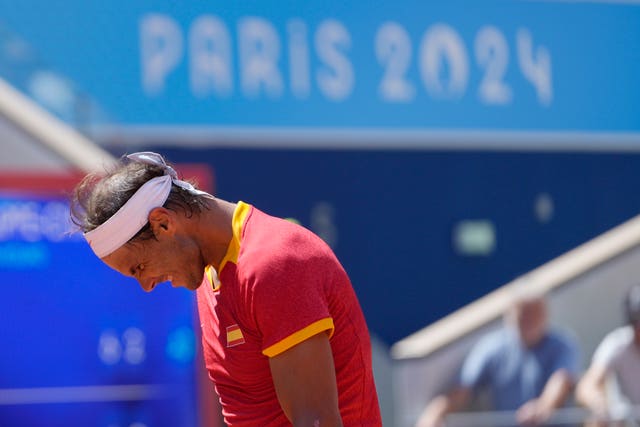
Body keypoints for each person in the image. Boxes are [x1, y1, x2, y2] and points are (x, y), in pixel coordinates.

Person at [70, 152, 382, 427]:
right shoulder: (210, 276)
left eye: (139, 267)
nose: (147, 285)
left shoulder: (273, 262)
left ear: (163, 223)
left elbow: (316, 421)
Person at [414, 294, 580, 427]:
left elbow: (561, 379)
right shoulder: (492, 347)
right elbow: (463, 388)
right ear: (509, 316)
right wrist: (436, 411)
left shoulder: (562, 345)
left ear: (544, 315)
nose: (527, 322)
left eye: (533, 315)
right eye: (522, 316)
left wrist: (543, 407)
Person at [576, 284, 640, 426]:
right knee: (595, 421)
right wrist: (600, 405)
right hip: (628, 422)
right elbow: (586, 386)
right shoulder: (618, 343)